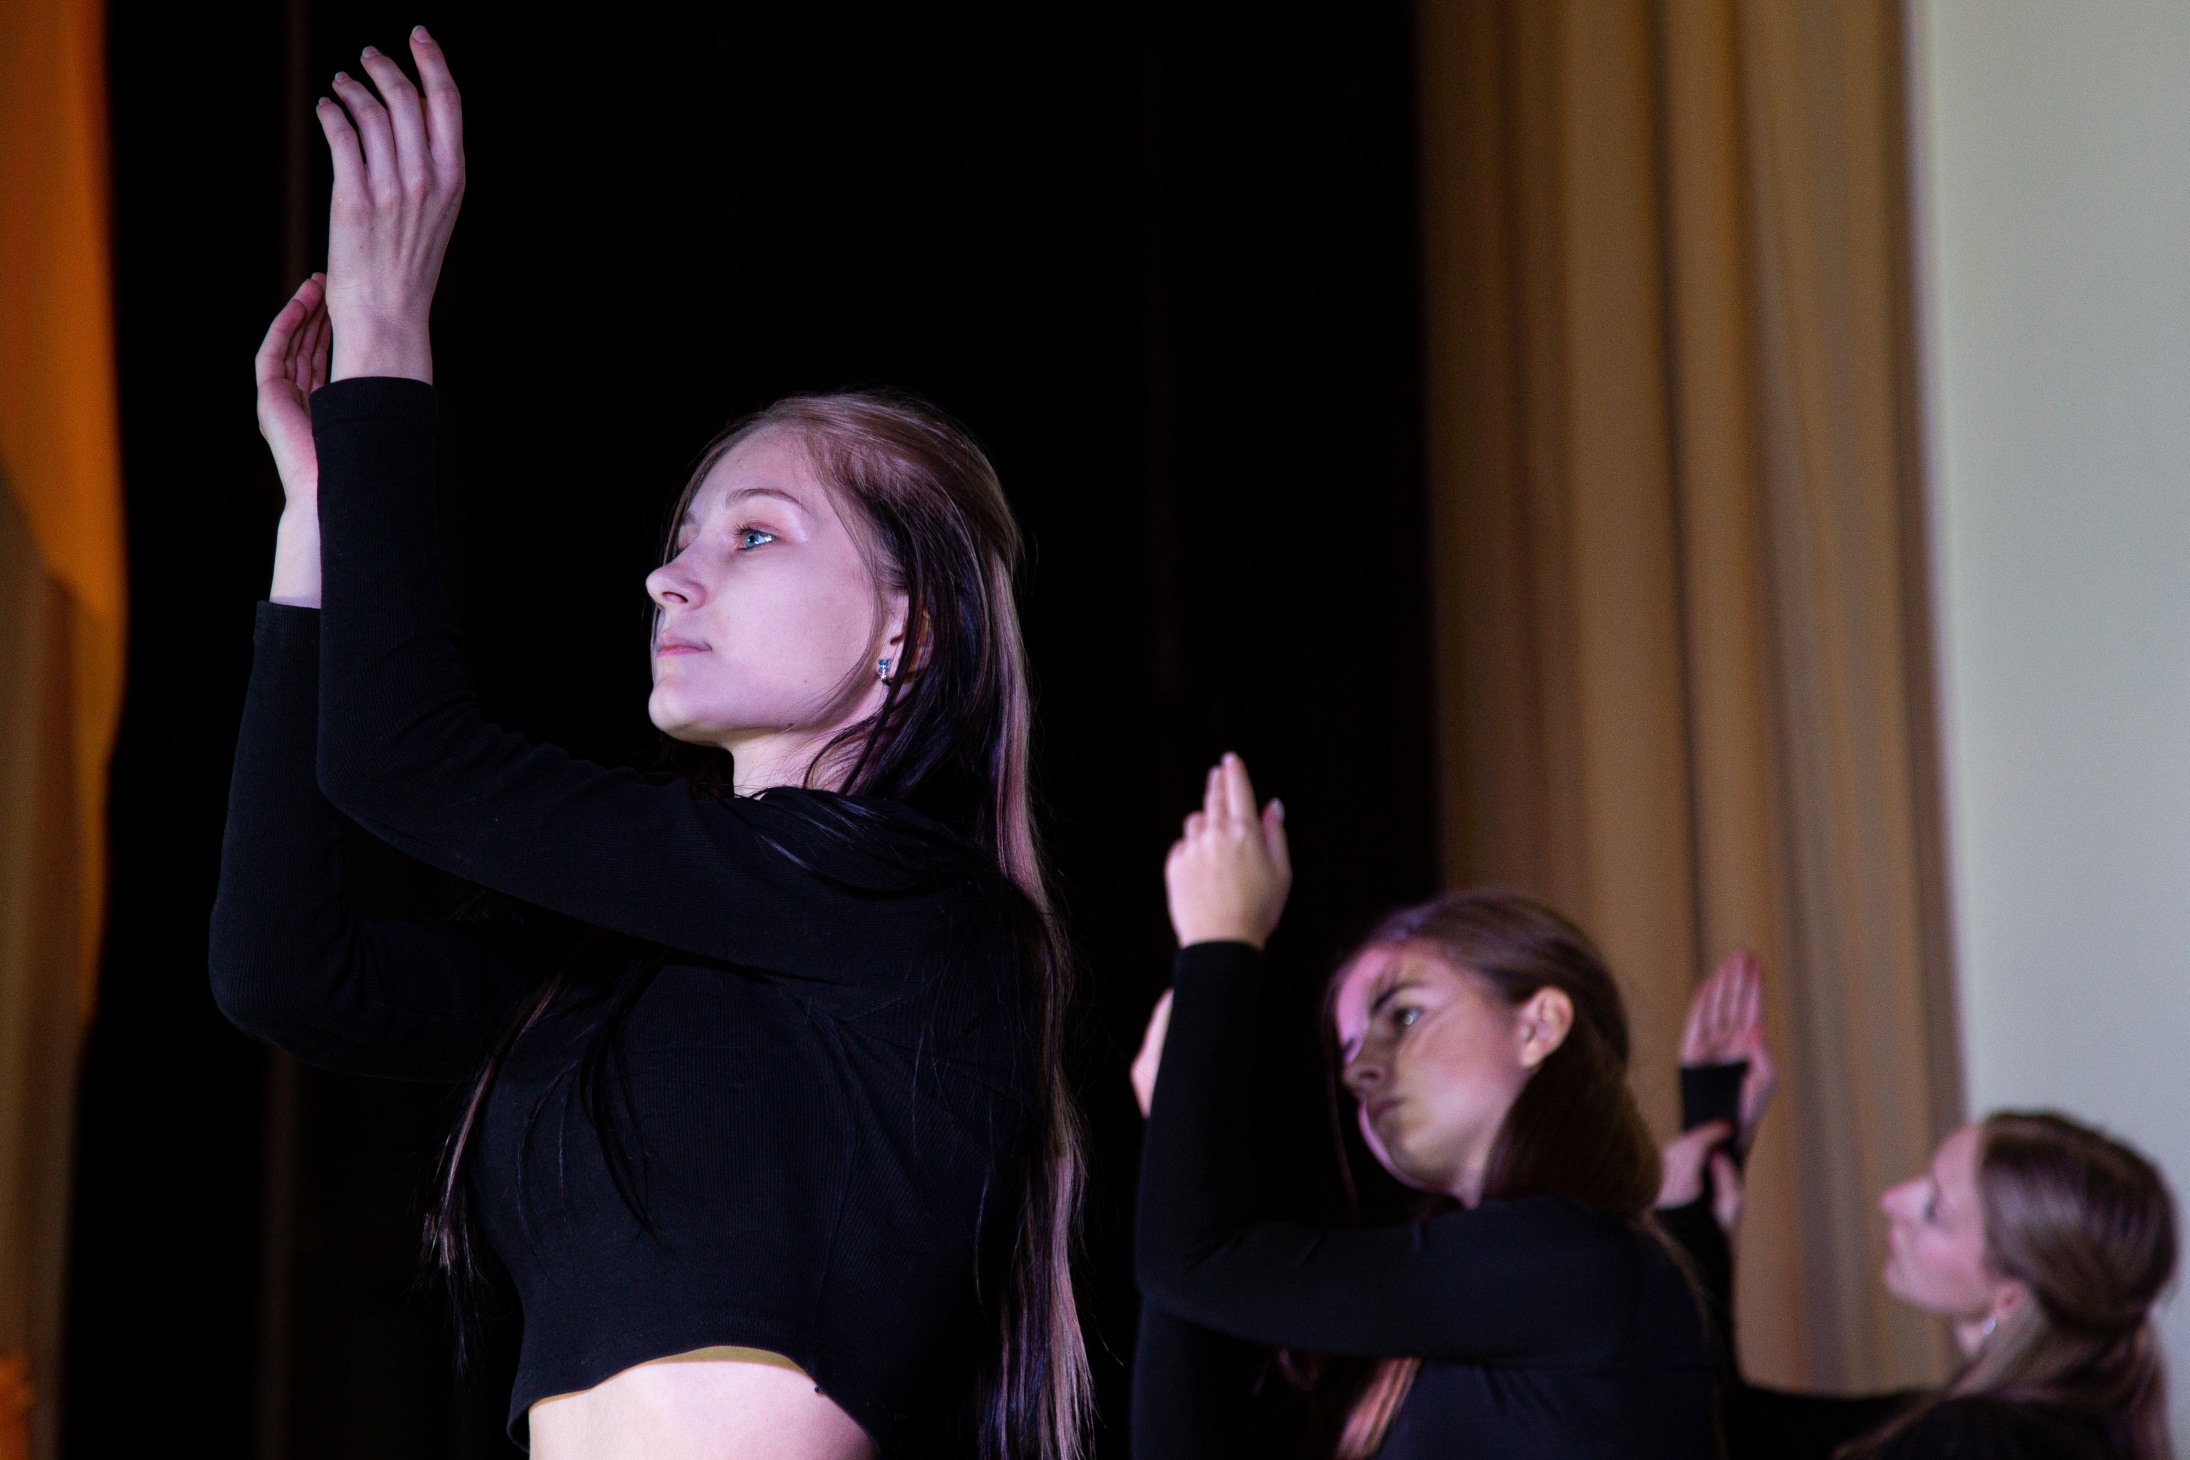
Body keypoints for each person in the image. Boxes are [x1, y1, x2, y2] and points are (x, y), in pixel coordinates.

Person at [207, 29, 1087, 1460]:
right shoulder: (620, 956)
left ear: (909, 631)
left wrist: (386, 340)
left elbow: (401, 759)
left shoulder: (915, 911)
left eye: (754, 536)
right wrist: (317, 527)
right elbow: (286, 972)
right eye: (680, 541)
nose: (670, 578)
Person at [1130, 755, 1718, 1459]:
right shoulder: (1452, 1316)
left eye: (1404, 1016)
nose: (1359, 1071)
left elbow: (1195, 1259)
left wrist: (1221, 942)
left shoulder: (1580, 1263)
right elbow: (1189, 1286)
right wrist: (1172, 1123)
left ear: (1538, 1026)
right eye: (1349, 1050)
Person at [1659, 958, 2178, 1460]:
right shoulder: (2025, 1426)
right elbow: (1741, 1430)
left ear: (2009, 1300)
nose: (1893, 1201)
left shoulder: (1969, 1442)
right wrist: (1713, 1133)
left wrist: (1688, 1218)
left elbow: (1698, 1437)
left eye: (1935, 1211)